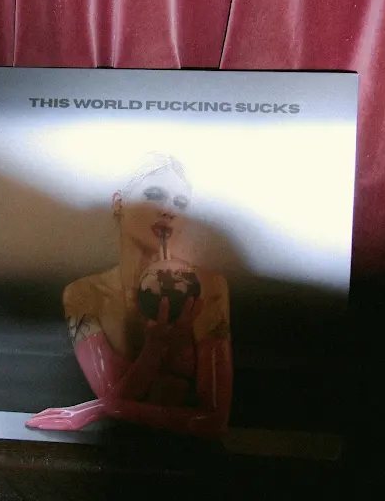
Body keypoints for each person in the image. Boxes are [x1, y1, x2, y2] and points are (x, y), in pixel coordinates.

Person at [25, 153, 232, 439]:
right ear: (119, 203)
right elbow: (111, 393)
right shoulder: (84, 293)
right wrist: (155, 346)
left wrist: (92, 410)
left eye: (180, 203)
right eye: (154, 195)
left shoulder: (206, 288)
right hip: (111, 447)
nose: (168, 210)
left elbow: (214, 420)